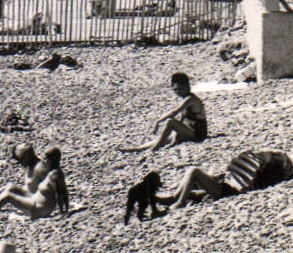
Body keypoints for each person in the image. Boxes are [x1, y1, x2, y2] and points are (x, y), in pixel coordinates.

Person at [154, 148, 293, 210]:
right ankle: (175, 197)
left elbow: (246, 182)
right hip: (225, 184)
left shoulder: (277, 163)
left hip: (227, 190)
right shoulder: (280, 162)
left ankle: (179, 201)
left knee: (193, 171)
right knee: (194, 180)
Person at [0, 146, 69, 218]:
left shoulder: (48, 171)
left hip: (39, 208)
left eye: (20, 159)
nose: (43, 161)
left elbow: (61, 192)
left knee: (8, 195)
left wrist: (63, 212)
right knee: (9, 187)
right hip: (35, 201)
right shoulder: (45, 169)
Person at [119, 72, 207, 153]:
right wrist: (174, 140)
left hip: (198, 135)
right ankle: (138, 148)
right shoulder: (185, 99)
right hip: (190, 131)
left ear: (188, 87)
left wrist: (158, 122)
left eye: (181, 89)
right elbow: (181, 119)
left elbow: (174, 112)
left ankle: (154, 149)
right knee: (162, 138)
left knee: (170, 122)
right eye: (175, 89)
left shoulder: (191, 99)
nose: (178, 92)